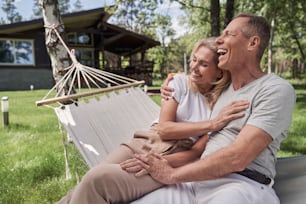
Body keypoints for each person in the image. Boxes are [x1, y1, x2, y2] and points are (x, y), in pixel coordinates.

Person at [56, 37, 249, 204]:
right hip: (144, 141)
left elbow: (195, 153)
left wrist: (159, 163)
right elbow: (164, 129)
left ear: (219, 72)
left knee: (95, 181)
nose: (194, 68)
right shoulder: (180, 83)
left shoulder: (222, 105)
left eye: (203, 64)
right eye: (193, 60)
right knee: (83, 188)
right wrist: (212, 124)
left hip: (174, 157)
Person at [129, 13, 296, 204]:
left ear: (252, 43)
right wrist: (174, 79)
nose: (219, 40)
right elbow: (199, 76)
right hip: (196, 182)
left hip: (240, 185)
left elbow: (237, 158)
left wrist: (172, 175)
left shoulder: (274, 89)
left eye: (229, 34)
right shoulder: (221, 90)